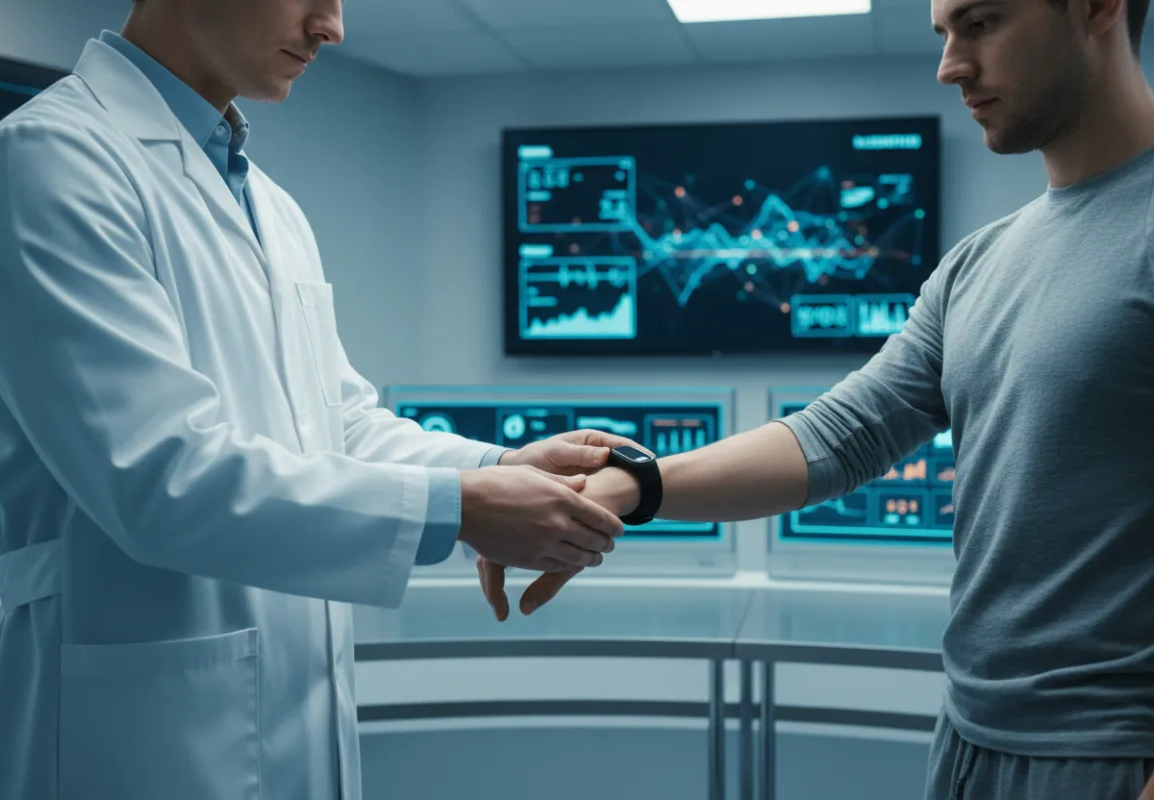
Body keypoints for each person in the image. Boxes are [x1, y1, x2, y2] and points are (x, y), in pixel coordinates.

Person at [0, 1, 640, 798]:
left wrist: (499, 466)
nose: (332, 27)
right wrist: (460, 508)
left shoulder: (269, 203)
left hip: (285, 723)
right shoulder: (48, 162)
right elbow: (157, 476)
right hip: (127, 743)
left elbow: (336, 424)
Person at [480, 0, 1154, 797]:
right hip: (973, 738)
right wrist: (630, 486)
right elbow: (842, 434)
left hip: (1113, 751)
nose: (950, 66)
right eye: (944, 33)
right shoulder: (978, 265)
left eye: (982, 22)